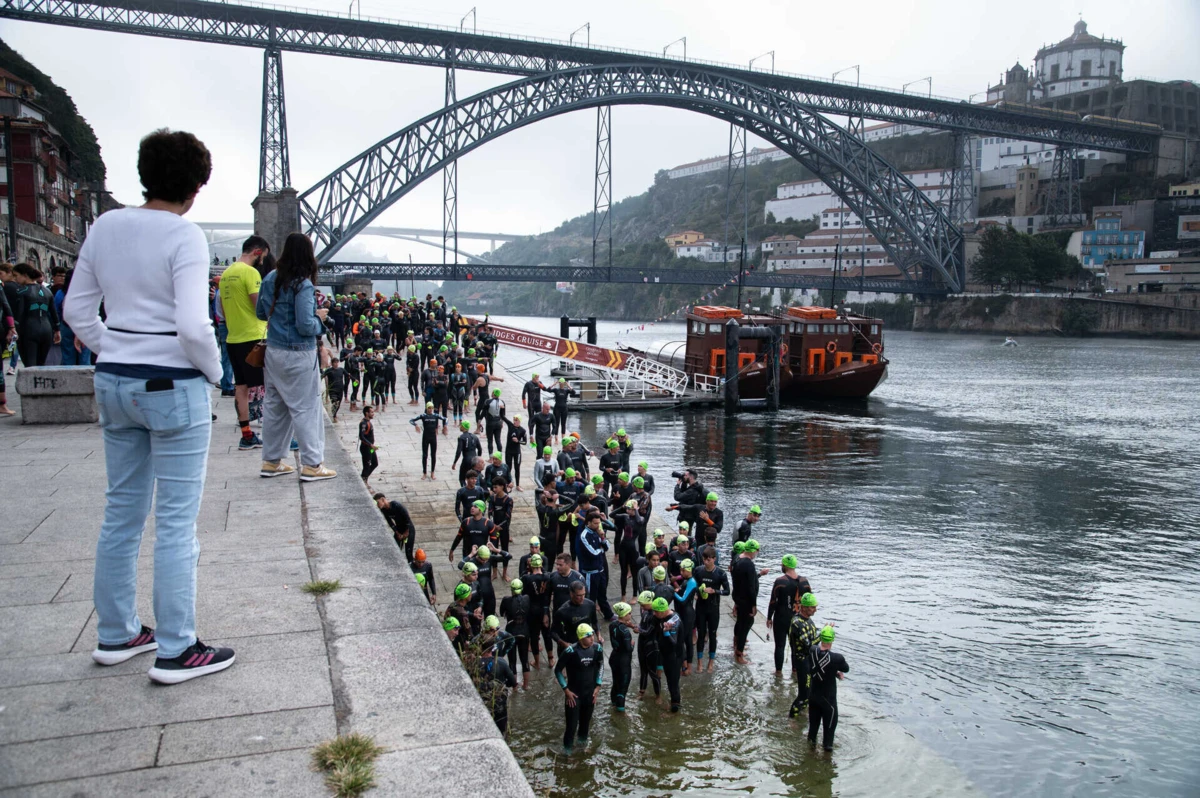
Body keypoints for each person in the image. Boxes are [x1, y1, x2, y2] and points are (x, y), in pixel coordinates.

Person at [63, 128, 234, 684]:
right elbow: (192, 323)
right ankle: (177, 648)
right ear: (195, 185)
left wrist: (115, 347)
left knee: (121, 513)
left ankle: (116, 634)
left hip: (113, 382)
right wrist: (212, 373)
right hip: (172, 386)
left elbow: (78, 312)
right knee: (176, 523)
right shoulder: (185, 237)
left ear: (144, 172)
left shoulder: (105, 225)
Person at [255, 233, 337, 481]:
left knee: (275, 406)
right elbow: (304, 325)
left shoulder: (270, 278)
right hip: (298, 354)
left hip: (273, 351)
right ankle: (312, 464)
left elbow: (260, 312)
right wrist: (319, 319)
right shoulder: (303, 284)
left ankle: (271, 461)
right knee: (306, 408)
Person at [219, 234, 272, 450]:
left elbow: (222, 310)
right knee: (270, 387)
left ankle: (247, 434)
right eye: (263, 257)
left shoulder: (226, 274)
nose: (263, 262)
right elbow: (259, 306)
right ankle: (275, 436)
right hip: (254, 338)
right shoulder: (250, 273)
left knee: (241, 386)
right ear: (257, 252)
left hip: (233, 338)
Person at [555, 623, 604, 754]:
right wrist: (566, 690)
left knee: (585, 725)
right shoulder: (571, 651)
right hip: (574, 695)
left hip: (590, 694)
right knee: (571, 726)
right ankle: (567, 752)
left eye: (592, 634)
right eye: (588, 636)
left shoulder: (597, 649)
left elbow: (600, 666)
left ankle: (582, 749)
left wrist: (598, 686)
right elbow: (558, 670)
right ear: (581, 638)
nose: (592, 638)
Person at [767, 554, 811, 676]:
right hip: (798, 619)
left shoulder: (780, 581)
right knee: (796, 647)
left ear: (785, 565)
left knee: (780, 646)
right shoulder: (804, 582)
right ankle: (795, 672)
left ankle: (778, 672)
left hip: (781, 618)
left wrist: (769, 617)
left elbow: (773, 601)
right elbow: (809, 602)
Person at [807, 625, 849, 751]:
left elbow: (820, 667)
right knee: (828, 742)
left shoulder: (812, 650)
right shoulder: (837, 658)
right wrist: (836, 672)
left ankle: (809, 756)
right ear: (832, 640)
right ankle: (826, 764)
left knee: (812, 734)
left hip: (813, 697)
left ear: (821, 638)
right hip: (828, 701)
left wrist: (834, 672)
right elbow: (846, 669)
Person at [11, 262, 60, 366]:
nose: (15, 279)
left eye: (16, 276)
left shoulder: (21, 292)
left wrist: (13, 330)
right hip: (46, 330)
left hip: (28, 330)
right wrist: (57, 330)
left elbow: (19, 315)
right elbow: (54, 314)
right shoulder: (47, 291)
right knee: (41, 365)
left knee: (30, 365)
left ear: (25, 275)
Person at [731, 539, 769, 665]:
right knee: (746, 624)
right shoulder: (749, 564)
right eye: (757, 551)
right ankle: (739, 654)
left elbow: (737, 582)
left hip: (738, 597)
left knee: (740, 622)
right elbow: (751, 587)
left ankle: (736, 645)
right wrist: (754, 605)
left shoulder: (737, 559)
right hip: (745, 600)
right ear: (754, 551)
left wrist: (736, 601)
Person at [692, 545, 729, 672]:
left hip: (713, 608)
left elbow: (727, 592)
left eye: (708, 560)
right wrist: (698, 591)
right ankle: (700, 662)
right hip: (701, 607)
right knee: (701, 634)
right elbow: (693, 586)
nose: (706, 562)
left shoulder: (721, 573)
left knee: (712, 635)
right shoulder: (698, 570)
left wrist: (715, 591)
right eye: (704, 559)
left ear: (714, 559)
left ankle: (711, 662)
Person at [788, 592, 821, 718]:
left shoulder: (808, 620)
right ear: (805, 607)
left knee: (810, 692)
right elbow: (809, 645)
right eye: (813, 607)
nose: (815, 610)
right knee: (804, 695)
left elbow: (813, 641)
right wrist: (822, 636)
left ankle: (801, 713)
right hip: (802, 661)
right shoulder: (798, 623)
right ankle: (792, 718)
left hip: (810, 660)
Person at [647, 597, 682, 712]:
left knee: (673, 683)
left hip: (674, 655)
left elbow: (673, 643)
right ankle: (673, 703)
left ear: (663, 610)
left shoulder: (673, 622)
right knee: (669, 680)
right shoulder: (661, 617)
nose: (654, 614)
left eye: (656, 611)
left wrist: (666, 632)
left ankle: (675, 709)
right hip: (665, 654)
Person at [499, 578, 532, 688]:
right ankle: (526, 686)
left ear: (512, 589)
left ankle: (515, 687)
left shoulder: (506, 600)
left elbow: (501, 612)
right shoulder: (527, 598)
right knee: (524, 659)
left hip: (511, 631)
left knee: (512, 660)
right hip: (524, 630)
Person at [608, 602, 636, 712]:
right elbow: (629, 648)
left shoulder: (612, 624)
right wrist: (632, 643)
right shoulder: (625, 631)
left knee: (615, 683)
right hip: (623, 661)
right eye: (629, 613)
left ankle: (613, 704)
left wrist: (627, 624)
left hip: (614, 657)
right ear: (624, 615)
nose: (631, 615)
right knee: (622, 688)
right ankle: (620, 712)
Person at [409, 402, 446, 480]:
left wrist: (445, 426)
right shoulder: (423, 416)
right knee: (425, 455)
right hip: (425, 437)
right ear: (426, 408)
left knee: (433, 455)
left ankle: (432, 472)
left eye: (432, 408)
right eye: (429, 408)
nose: (430, 410)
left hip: (433, 437)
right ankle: (424, 473)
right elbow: (411, 420)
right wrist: (416, 425)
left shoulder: (435, 416)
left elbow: (446, 419)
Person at [635, 591, 662, 699]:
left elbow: (648, 632)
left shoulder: (655, 616)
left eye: (643, 604)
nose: (641, 607)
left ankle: (658, 695)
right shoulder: (645, 612)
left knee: (652, 672)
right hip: (642, 644)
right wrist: (636, 627)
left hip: (652, 646)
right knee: (643, 670)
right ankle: (642, 692)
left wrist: (638, 630)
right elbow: (642, 626)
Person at [375, 492, 416, 563]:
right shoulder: (384, 510)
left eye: (378, 502)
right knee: (395, 550)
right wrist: (396, 532)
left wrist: (406, 532)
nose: (377, 505)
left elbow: (407, 518)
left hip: (408, 528)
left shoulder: (396, 505)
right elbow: (390, 522)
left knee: (408, 553)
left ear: (383, 499)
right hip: (399, 529)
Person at [452, 420, 484, 486]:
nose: (460, 427)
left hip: (466, 459)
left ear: (463, 427)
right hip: (474, 460)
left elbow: (459, 451)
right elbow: (480, 449)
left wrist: (454, 462)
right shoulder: (475, 437)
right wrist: (478, 459)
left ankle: (465, 489)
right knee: (474, 476)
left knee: (462, 477)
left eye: (461, 425)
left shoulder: (461, 437)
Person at [502, 415, 528, 491]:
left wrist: (518, 441)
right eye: (514, 420)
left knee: (517, 468)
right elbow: (503, 417)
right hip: (509, 451)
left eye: (516, 420)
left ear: (519, 421)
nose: (515, 422)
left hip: (517, 452)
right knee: (508, 467)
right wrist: (502, 407)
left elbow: (525, 442)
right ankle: (507, 484)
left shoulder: (522, 430)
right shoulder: (510, 426)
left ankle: (517, 485)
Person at [358, 405, 379, 486]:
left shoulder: (368, 422)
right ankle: (364, 481)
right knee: (367, 465)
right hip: (366, 448)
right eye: (372, 412)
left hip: (370, 448)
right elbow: (361, 436)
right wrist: (370, 445)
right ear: (367, 413)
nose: (373, 414)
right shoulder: (363, 423)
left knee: (375, 463)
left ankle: (364, 477)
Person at [323, 357, 345, 422]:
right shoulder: (329, 370)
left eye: (337, 362)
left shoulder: (341, 370)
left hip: (340, 389)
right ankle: (334, 416)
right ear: (332, 363)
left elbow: (348, 375)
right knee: (335, 402)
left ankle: (334, 413)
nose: (336, 364)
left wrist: (355, 379)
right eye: (334, 362)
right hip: (332, 389)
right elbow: (322, 376)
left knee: (338, 403)